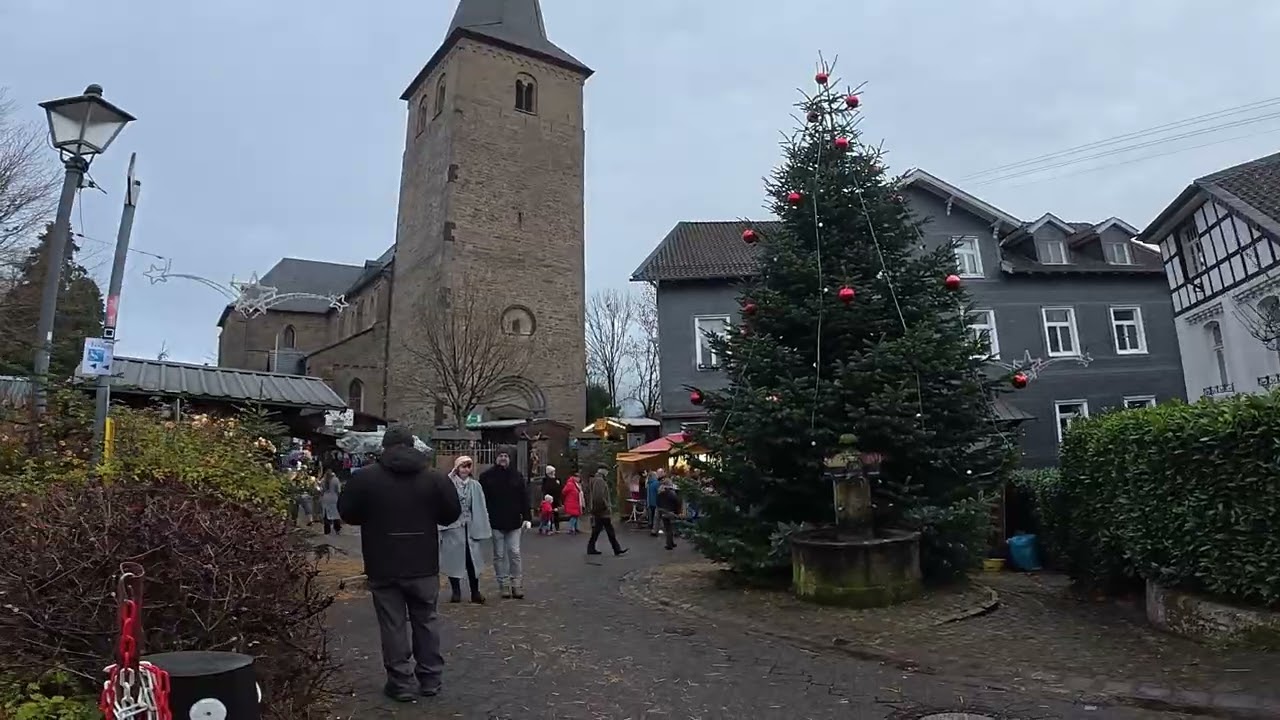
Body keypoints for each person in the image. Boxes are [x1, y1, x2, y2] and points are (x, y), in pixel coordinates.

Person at [337, 425, 460, 703]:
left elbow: (348, 513)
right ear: (412, 446)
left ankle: (400, 682)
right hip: (423, 561)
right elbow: (451, 514)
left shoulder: (365, 478)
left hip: (383, 561)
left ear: (385, 447)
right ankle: (430, 679)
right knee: (426, 620)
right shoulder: (434, 478)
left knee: (392, 624)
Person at [479, 447, 531, 599]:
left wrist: (527, 516)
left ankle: (516, 584)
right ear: (496, 458)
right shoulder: (487, 477)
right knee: (499, 555)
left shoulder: (517, 476)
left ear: (510, 458)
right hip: (495, 522)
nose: (503, 458)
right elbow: (482, 501)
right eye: (500, 456)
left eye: (506, 456)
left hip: (514, 521)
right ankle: (504, 585)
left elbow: (524, 497)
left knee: (515, 553)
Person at [439, 456, 492, 604]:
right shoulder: (448, 485)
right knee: (453, 559)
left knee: (472, 561)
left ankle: (475, 592)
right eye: (463, 466)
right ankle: (456, 592)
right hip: (453, 527)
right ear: (457, 468)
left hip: (470, 528)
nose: (466, 470)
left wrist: (480, 525)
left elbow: (480, 506)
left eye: (468, 467)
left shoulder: (475, 485)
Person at [586, 468, 628, 556]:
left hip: (599, 511)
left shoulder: (596, 480)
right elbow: (599, 496)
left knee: (597, 530)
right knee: (608, 530)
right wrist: (605, 506)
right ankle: (616, 549)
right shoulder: (600, 481)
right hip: (602, 512)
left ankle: (591, 548)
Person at [655, 476, 683, 550]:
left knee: (668, 528)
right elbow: (677, 503)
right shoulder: (673, 494)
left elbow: (658, 503)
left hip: (663, 512)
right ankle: (670, 544)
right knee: (670, 528)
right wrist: (678, 512)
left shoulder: (660, 493)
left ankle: (670, 543)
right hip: (672, 512)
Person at [540, 465, 564, 533]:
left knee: (556, 513)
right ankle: (549, 528)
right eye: (552, 471)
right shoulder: (545, 480)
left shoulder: (557, 479)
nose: (554, 473)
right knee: (548, 514)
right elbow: (544, 489)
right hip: (549, 499)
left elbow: (560, 488)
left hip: (556, 498)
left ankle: (557, 528)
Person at [319, 469, 343, 535]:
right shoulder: (336, 480)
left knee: (326, 515)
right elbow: (338, 490)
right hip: (334, 498)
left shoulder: (323, 480)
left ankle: (327, 531)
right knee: (336, 514)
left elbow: (321, 491)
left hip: (325, 498)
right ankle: (337, 530)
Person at [646, 469, 664, 537]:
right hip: (656, 502)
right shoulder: (657, 483)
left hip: (650, 502)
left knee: (653, 515)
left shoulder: (649, 483)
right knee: (657, 517)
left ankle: (652, 527)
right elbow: (660, 492)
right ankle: (656, 529)